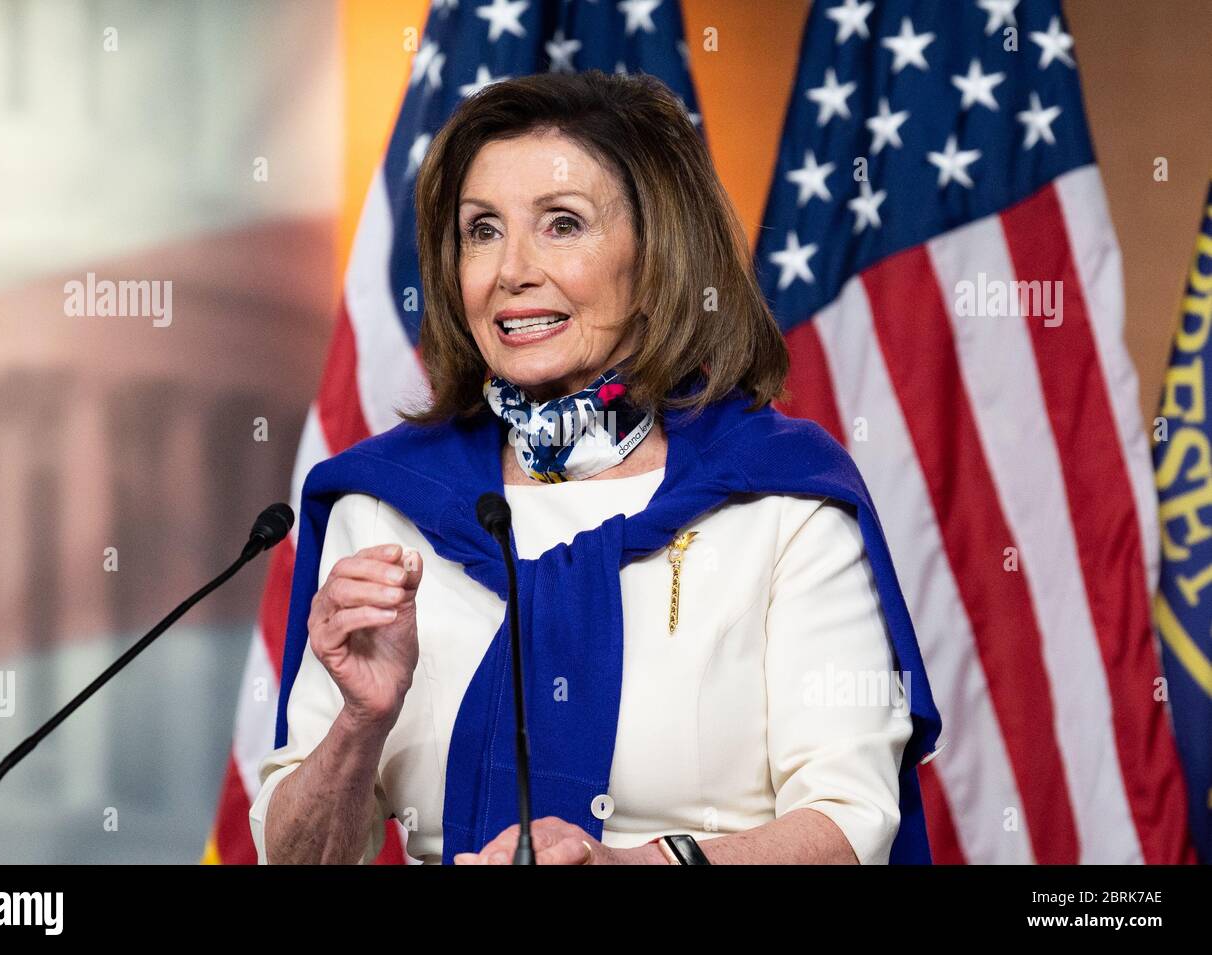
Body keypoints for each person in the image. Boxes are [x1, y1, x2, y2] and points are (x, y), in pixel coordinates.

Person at [249, 70, 941, 865]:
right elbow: (300, 860)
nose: (511, 269)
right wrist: (358, 723)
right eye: (481, 230)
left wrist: (637, 866)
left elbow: (851, 821)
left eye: (562, 224)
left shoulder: (780, 495)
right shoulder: (383, 504)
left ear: (657, 259)